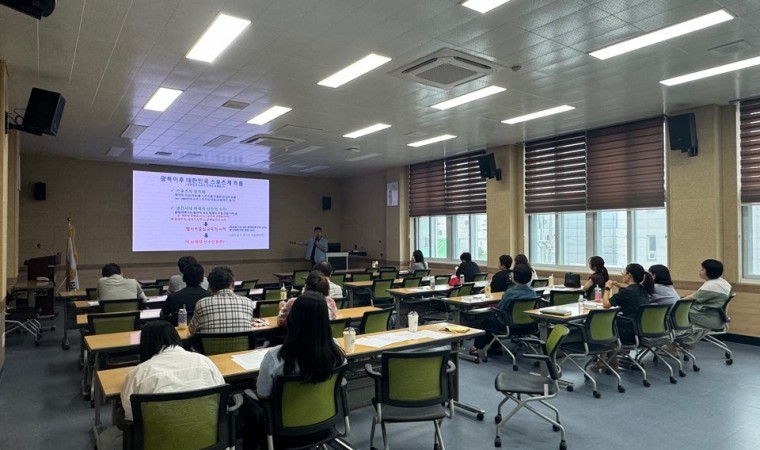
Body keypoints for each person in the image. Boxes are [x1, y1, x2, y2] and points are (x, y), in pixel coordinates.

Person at [97, 321, 225, 450]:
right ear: (176, 338)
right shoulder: (205, 362)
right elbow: (221, 399)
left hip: (156, 443)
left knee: (106, 439)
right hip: (207, 440)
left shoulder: (138, 374)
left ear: (145, 345)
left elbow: (131, 417)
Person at [244, 292, 345, 449]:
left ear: (292, 320)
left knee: (250, 406)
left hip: (285, 434)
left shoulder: (275, 357)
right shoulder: (336, 352)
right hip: (325, 425)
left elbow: (263, 395)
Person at [470, 264, 536, 357]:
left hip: (510, 326)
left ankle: (476, 347)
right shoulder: (533, 292)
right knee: (492, 322)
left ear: (514, 277)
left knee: (486, 322)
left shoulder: (509, 293)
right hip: (529, 326)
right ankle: (495, 346)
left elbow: (500, 309)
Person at [680, 259, 732, 348]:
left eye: (702, 269)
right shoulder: (722, 283)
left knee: (675, 313)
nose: (699, 271)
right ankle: (679, 343)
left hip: (709, 318)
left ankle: (676, 344)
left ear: (710, 272)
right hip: (716, 316)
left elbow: (692, 299)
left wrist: (677, 301)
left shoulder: (712, 286)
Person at [188, 266, 255, 335]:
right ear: (233, 285)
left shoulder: (201, 303)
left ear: (211, 287)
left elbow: (192, 331)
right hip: (242, 342)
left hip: (210, 342)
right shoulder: (248, 302)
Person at [602, 263, 654, 345]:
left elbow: (606, 304)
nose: (622, 274)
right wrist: (619, 286)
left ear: (629, 275)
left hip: (628, 331)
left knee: (602, 324)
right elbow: (630, 293)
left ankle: (602, 352)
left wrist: (607, 288)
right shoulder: (642, 289)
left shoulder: (627, 292)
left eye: (624, 272)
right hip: (641, 330)